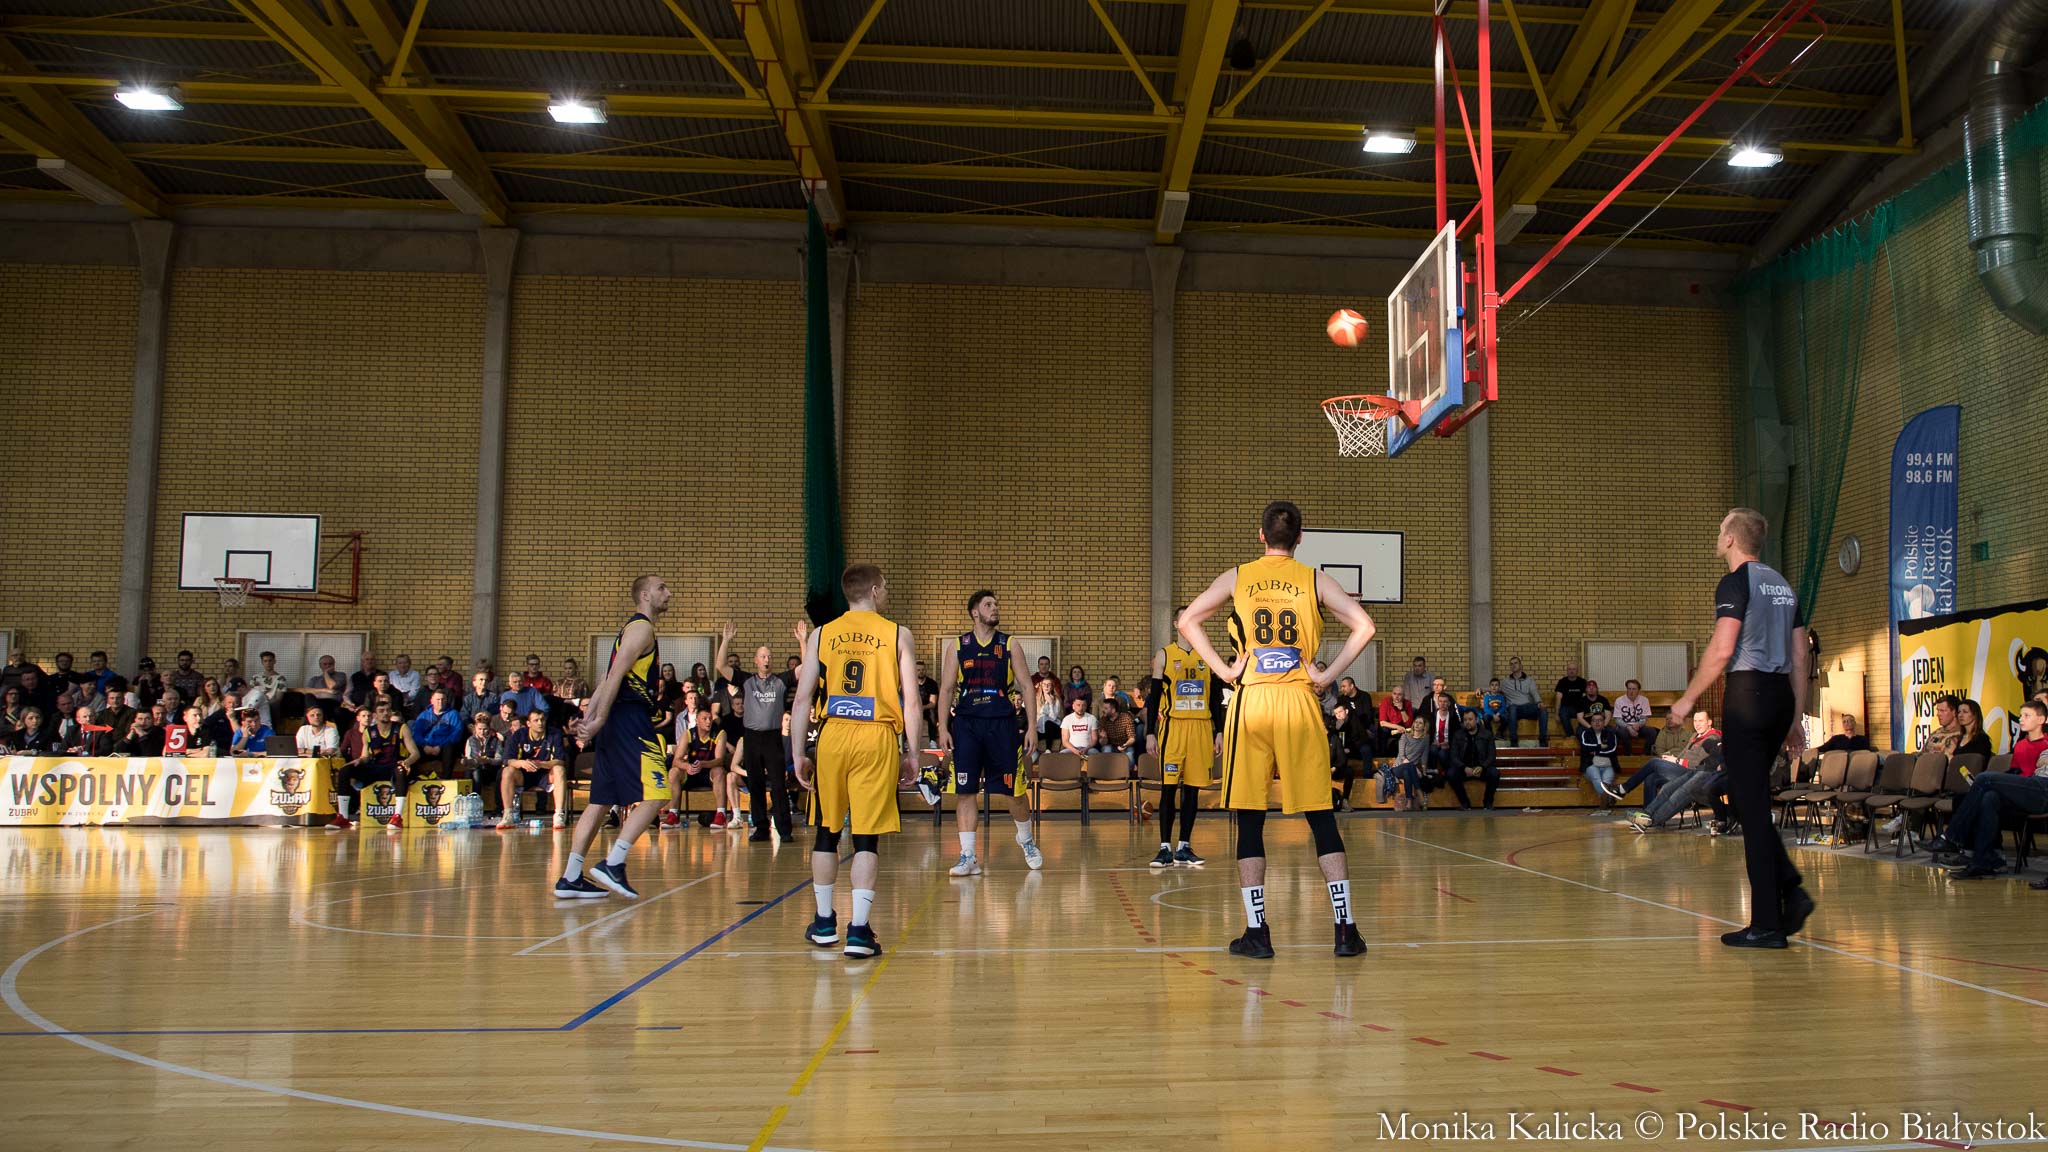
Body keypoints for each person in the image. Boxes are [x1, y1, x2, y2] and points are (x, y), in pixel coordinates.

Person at [1178, 501, 1373, 960]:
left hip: (1253, 700)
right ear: (1300, 538)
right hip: (1300, 702)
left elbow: (1186, 619)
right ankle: (1345, 930)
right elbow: (1364, 626)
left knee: (1250, 817)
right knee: (1321, 817)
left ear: (1260, 535)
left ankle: (1257, 932)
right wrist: (1326, 677)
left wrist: (1225, 671)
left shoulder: (1239, 576)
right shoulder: (1314, 579)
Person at [1669, 508, 1814, 949]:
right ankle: (1788, 889)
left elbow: (1723, 647)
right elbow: (1802, 656)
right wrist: (1795, 717)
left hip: (1747, 696)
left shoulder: (1736, 582)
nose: (1717, 536)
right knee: (1752, 802)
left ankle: (1769, 922)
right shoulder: (1784, 585)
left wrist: (1689, 698)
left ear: (1732, 539)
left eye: (1720, 531)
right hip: (1779, 698)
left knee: (1751, 811)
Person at [792, 563, 923, 959]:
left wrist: (799, 752)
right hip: (877, 735)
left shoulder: (822, 634)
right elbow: (913, 701)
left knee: (826, 831)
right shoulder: (898, 633)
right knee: (867, 836)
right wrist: (913, 752)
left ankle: (824, 922)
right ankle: (859, 931)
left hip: (833, 733)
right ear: (877, 590)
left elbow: (801, 699)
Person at [559, 576, 676, 899]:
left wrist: (592, 718)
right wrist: (597, 719)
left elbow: (608, 678)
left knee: (600, 801)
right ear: (645, 594)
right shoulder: (641, 629)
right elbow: (614, 678)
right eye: (662, 588)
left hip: (615, 719)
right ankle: (614, 862)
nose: (669, 593)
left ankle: (570, 877)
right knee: (658, 792)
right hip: (630, 719)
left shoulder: (630, 630)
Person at [937, 590, 1043, 876]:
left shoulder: (1009, 644)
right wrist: (942, 727)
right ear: (975, 612)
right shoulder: (958, 646)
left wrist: (1031, 726)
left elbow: (1026, 686)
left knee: (1014, 792)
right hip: (967, 725)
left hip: (1002, 725)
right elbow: (946, 689)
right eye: (988, 605)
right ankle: (968, 856)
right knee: (965, 791)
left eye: (996, 604)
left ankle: (1026, 840)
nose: (995, 608)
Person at [1929, 700, 2048, 881]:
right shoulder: (2021, 745)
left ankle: (1952, 837)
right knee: (1988, 797)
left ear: (2041, 720)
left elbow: (2041, 765)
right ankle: (1986, 860)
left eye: (2027, 716)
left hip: (2040, 788)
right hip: (2025, 787)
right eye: (2021, 715)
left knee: (1985, 779)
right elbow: (2017, 771)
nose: (2021, 720)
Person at [1146, 609, 1226, 865]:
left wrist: (1220, 731)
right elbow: (1154, 698)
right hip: (1174, 728)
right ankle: (1164, 847)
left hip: (1201, 728)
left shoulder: (1206, 654)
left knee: (1192, 790)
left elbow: (1215, 697)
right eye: (1184, 618)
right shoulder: (1165, 654)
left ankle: (1184, 847)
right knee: (1169, 789)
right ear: (1176, 623)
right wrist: (1149, 732)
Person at [736, 630, 796, 843]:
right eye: (762, 656)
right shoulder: (746, 680)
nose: (766, 659)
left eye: (769, 656)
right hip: (752, 737)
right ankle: (761, 828)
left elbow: (805, 668)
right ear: (755, 660)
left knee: (779, 784)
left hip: (772, 738)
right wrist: (724, 640)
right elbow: (721, 667)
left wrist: (803, 641)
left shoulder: (780, 680)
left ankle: (785, 829)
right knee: (756, 784)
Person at [1627, 711, 1728, 832]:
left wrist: (1677, 761)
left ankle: (1652, 821)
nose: (1697, 724)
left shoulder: (1713, 737)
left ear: (1709, 722)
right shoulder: (1694, 736)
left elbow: (1700, 761)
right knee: (1667, 788)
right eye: (1695, 721)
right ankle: (1646, 815)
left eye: (1701, 721)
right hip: (1694, 771)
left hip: (1704, 773)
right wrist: (1674, 760)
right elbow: (1684, 754)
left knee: (1680, 792)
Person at [328, 698, 417, 830]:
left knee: (400, 770)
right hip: (375, 767)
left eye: (388, 710)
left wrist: (407, 762)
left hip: (394, 765)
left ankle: (397, 817)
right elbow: (365, 756)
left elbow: (415, 753)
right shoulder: (368, 732)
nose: (385, 713)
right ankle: (343, 817)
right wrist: (359, 760)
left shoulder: (402, 729)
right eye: (381, 711)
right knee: (345, 771)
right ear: (375, 715)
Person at [500, 709, 569, 830]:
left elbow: (560, 760)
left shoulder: (554, 734)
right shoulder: (519, 734)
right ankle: (508, 815)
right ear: (528, 723)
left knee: (559, 770)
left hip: (545, 773)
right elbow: (508, 760)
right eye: (536, 720)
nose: (540, 723)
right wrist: (521, 763)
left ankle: (559, 815)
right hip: (523, 774)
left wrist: (541, 764)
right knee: (507, 771)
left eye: (542, 720)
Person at [668, 707, 730, 827]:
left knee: (719, 771)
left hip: (709, 772)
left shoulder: (720, 734)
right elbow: (676, 760)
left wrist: (703, 764)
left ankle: (721, 815)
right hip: (692, 772)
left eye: (710, 719)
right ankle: (673, 815)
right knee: (673, 772)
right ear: (697, 721)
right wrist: (686, 766)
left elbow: (720, 760)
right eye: (705, 719)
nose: (708, 722)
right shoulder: (688, 734)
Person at [1448, 710, 1500, 810]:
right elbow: (1453, 756)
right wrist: (1464, 767)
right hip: (1464, 769)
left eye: (1470, 719)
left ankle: (1488, 802)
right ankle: (1464, 803)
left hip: (1481, 769)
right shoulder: (1458, 735)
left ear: (1476, 720)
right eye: (1465, 720)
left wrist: (1482, 767)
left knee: (1494, 773)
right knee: (1451, 773)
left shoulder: (1487, 734)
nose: (1467, 722)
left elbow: (1491, 756)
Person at [410, 688, 464, 776]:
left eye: (443, 699)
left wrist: (440, 746)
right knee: (412, 750)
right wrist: (424, 745)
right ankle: (412, 778)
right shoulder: (424, 715)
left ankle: (446, 779)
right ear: (431, 701)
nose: (440, 702)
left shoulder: (453, 714)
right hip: (426, 747)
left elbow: (456, 735)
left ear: (446, 700)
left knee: (450, 748)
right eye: (438, 699)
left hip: (443, 748)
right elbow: (416, 733)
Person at [459, 713, 504, 811]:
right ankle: (473, 804)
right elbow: (469, 758)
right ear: (475, 728)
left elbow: (499, 759)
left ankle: (485, 805)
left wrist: (488, 760)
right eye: (479, 729)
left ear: (489, 728)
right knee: (474, 772)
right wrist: (466, 761)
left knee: (478, 772)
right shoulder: (471, 740)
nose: (482, 732)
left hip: (491, 770)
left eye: (485, 729)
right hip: (477, 768)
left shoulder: (495, 740)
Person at [1578, 709, 1623, 804]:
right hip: (1591, 765)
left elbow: (1612, 750)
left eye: (1600, 720)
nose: (1597, 723)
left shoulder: (1610, 733)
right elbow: (1585, 747)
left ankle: (1605, 799)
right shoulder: (1585, 733)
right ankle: (1608, 797)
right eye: (1594, 720)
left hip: (1608, 765)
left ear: (1604, 722)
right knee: (1596, 777)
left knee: (1606, 781)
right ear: (1591, 723)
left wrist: (1595, 751)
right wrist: (1600, 747)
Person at [1499, 656, 1546, 745]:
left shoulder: (1529, 680)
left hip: (1527, 707)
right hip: (1515, 710)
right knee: (1512, 707)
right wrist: (1481, 690)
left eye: (1516, 663)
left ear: (1520, 665)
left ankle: (1543, 740)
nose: (1513, 665)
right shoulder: (1505, 682)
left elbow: (1534, 692)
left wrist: (1539, 702)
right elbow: (1494, 688)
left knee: (1543, 710)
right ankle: (1513, 740)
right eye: (1511, 664)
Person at [1612, 680, 1656, 754]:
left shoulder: (1644, 700)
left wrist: (1638, 725)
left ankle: (1645, 754)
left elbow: (1644, 717)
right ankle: (1628, 754)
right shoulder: (1619, 700)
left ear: (1638, 690)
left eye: (1634, 689)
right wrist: (1629, 727)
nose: (1631, 691)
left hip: (1639, 726)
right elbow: (1618, 720)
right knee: (1622, 732)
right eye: (1629, 689)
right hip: (1624, 727)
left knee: (1652, 732)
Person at [1554, 662, 1589, 737]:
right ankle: (1571, 736)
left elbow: (1588, 696)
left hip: (1579, 708)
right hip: (1566, 708)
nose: (1571, 671)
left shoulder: (1582, 682)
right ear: (1567, 671)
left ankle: (1582, 734)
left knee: (1586, 714)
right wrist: (1556, 714)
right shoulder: (1562, 682)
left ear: (1577, 671)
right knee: (1563, 713)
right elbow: (1558, 698)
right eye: (1569, 669)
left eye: (1574, 669)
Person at [1376, 690, 1414, 757]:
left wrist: (1402, 709)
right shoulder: (1386, 701)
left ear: (1403, 696)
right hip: (1388, 727)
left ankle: (1401, 758)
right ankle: (1382, 757)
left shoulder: (1407, 703)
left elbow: (1408, 724)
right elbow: (1382, 723)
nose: (1396, 697)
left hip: (1401, 728)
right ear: (1392, 694)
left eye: (1399, 694)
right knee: (1383, 730)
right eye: (1394, 694)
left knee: (1406, 733)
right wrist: (1397, 727)